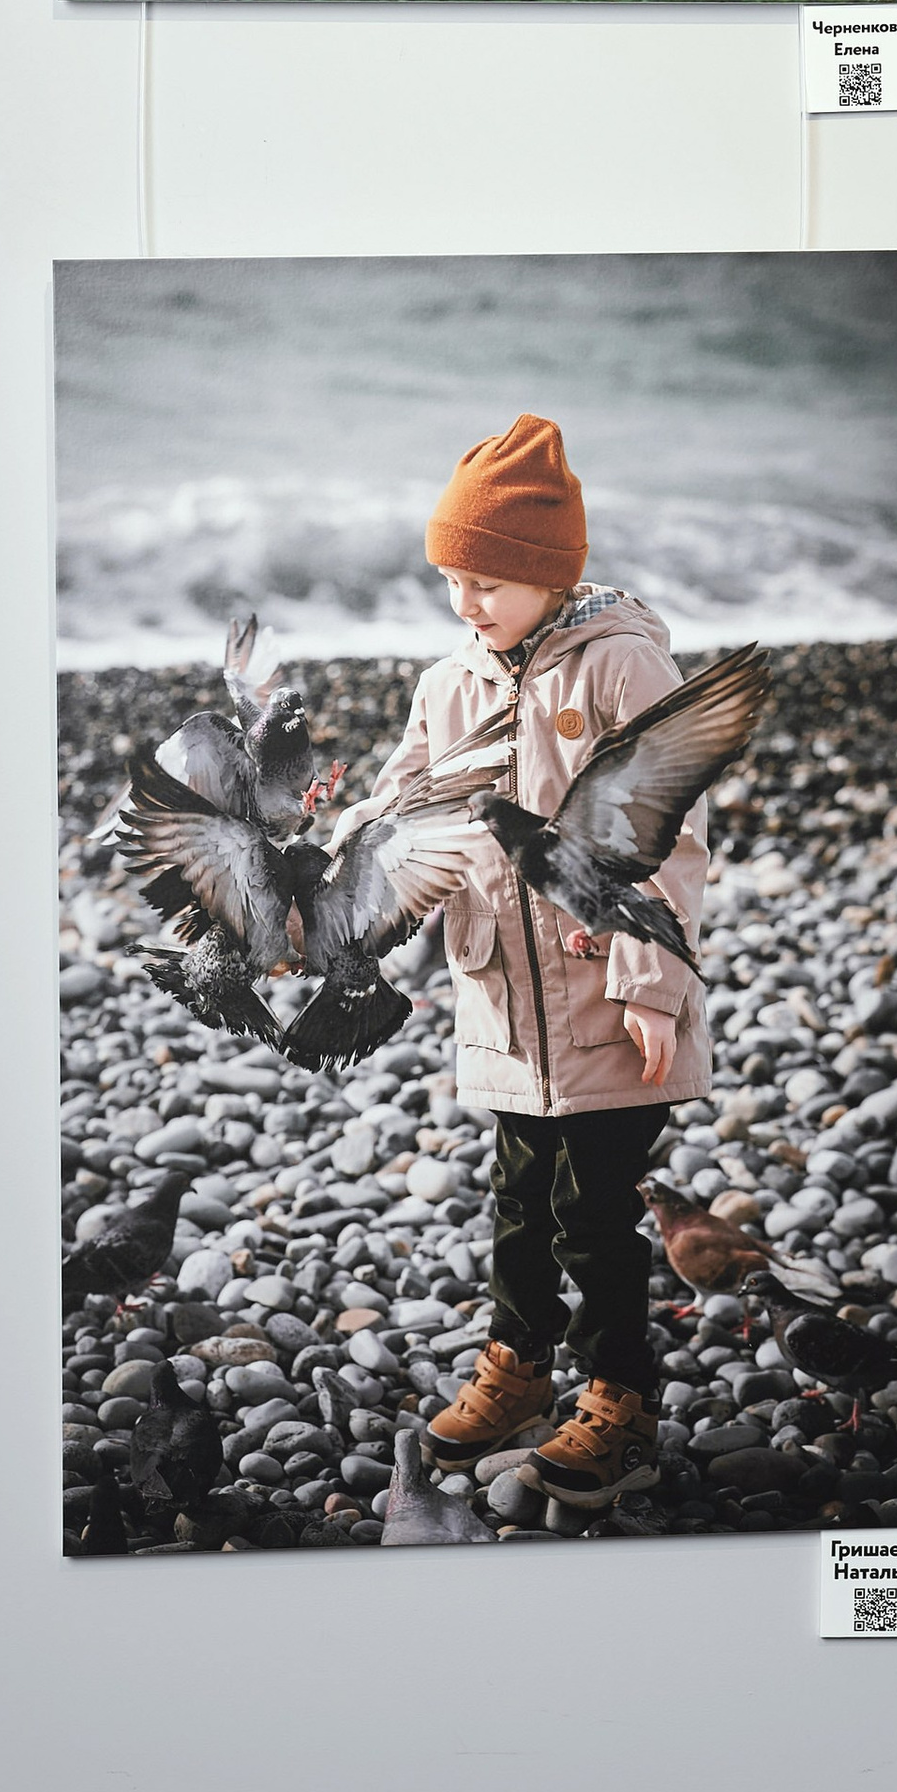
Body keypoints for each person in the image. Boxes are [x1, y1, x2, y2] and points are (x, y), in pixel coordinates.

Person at [347, 409, 709, 1511]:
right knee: (517, 1203)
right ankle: (517, 1361)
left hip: (606, 997)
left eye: (489, 581)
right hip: (505, 1004)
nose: (467, 602)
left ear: (552, 574)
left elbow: (668, 837)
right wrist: (336, 883)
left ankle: (618, 1394)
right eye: (452, 578)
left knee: (592, 1216)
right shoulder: (449, 682)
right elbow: (406, 803)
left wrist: (652, 990)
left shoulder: (620, 667)